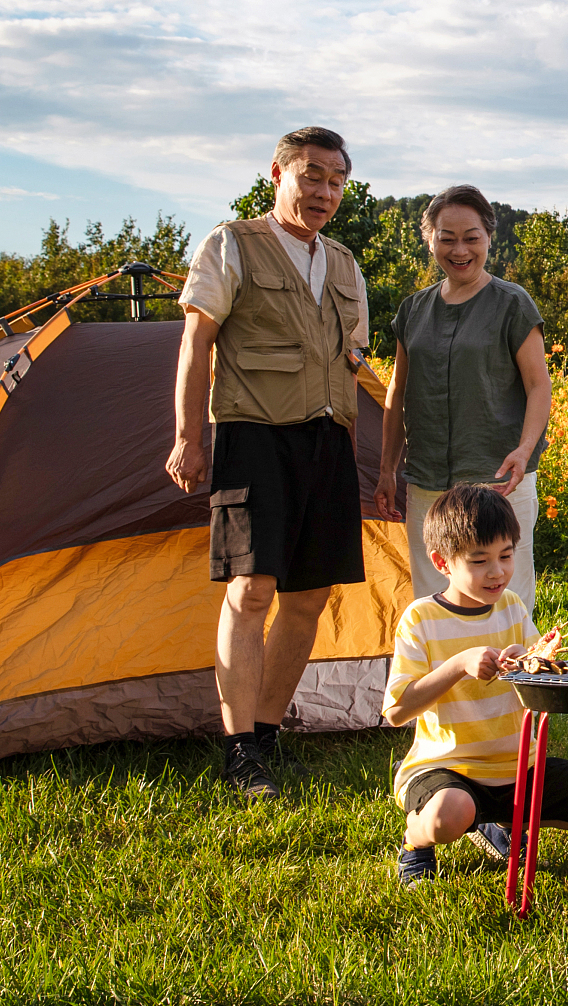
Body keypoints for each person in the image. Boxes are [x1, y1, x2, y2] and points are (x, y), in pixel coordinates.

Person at [167, 126, 371, 800]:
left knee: (309, 597)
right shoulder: (232, 245)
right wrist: (188, 438)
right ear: (277, 174)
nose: (324, 191)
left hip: (327, 440)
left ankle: (265, 734)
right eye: (312, 175)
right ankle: (236, 750)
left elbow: (356, 361)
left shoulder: (344, 263)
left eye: (337, 180)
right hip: (253, 435)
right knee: (252, 590)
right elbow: (197, 344)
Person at [384, 483, 568, 888]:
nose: (497, 571)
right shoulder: (420, 618)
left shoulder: (512, 607)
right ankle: (415, 841)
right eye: (479, 560)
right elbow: (396, 712)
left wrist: (531, 662)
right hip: (449, 768)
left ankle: (502, 819)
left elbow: (543, 682)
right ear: (442, 562)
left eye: (506, 555)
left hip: (520, 766)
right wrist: (459, 665)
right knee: (450, 813)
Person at [374, 186, 551, 615]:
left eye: (471, 237)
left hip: (499, 477)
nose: (460, 249)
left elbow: (538, 386)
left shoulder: (513, 303)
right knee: (433, 600)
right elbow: (398, 393)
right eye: (446, 237)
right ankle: (443, 680)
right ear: (429, 239)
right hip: (428, 477)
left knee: (507, 598)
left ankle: (511, 682)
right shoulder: (413, 310)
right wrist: (386, 469)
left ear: (489, 238)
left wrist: (524, 450)